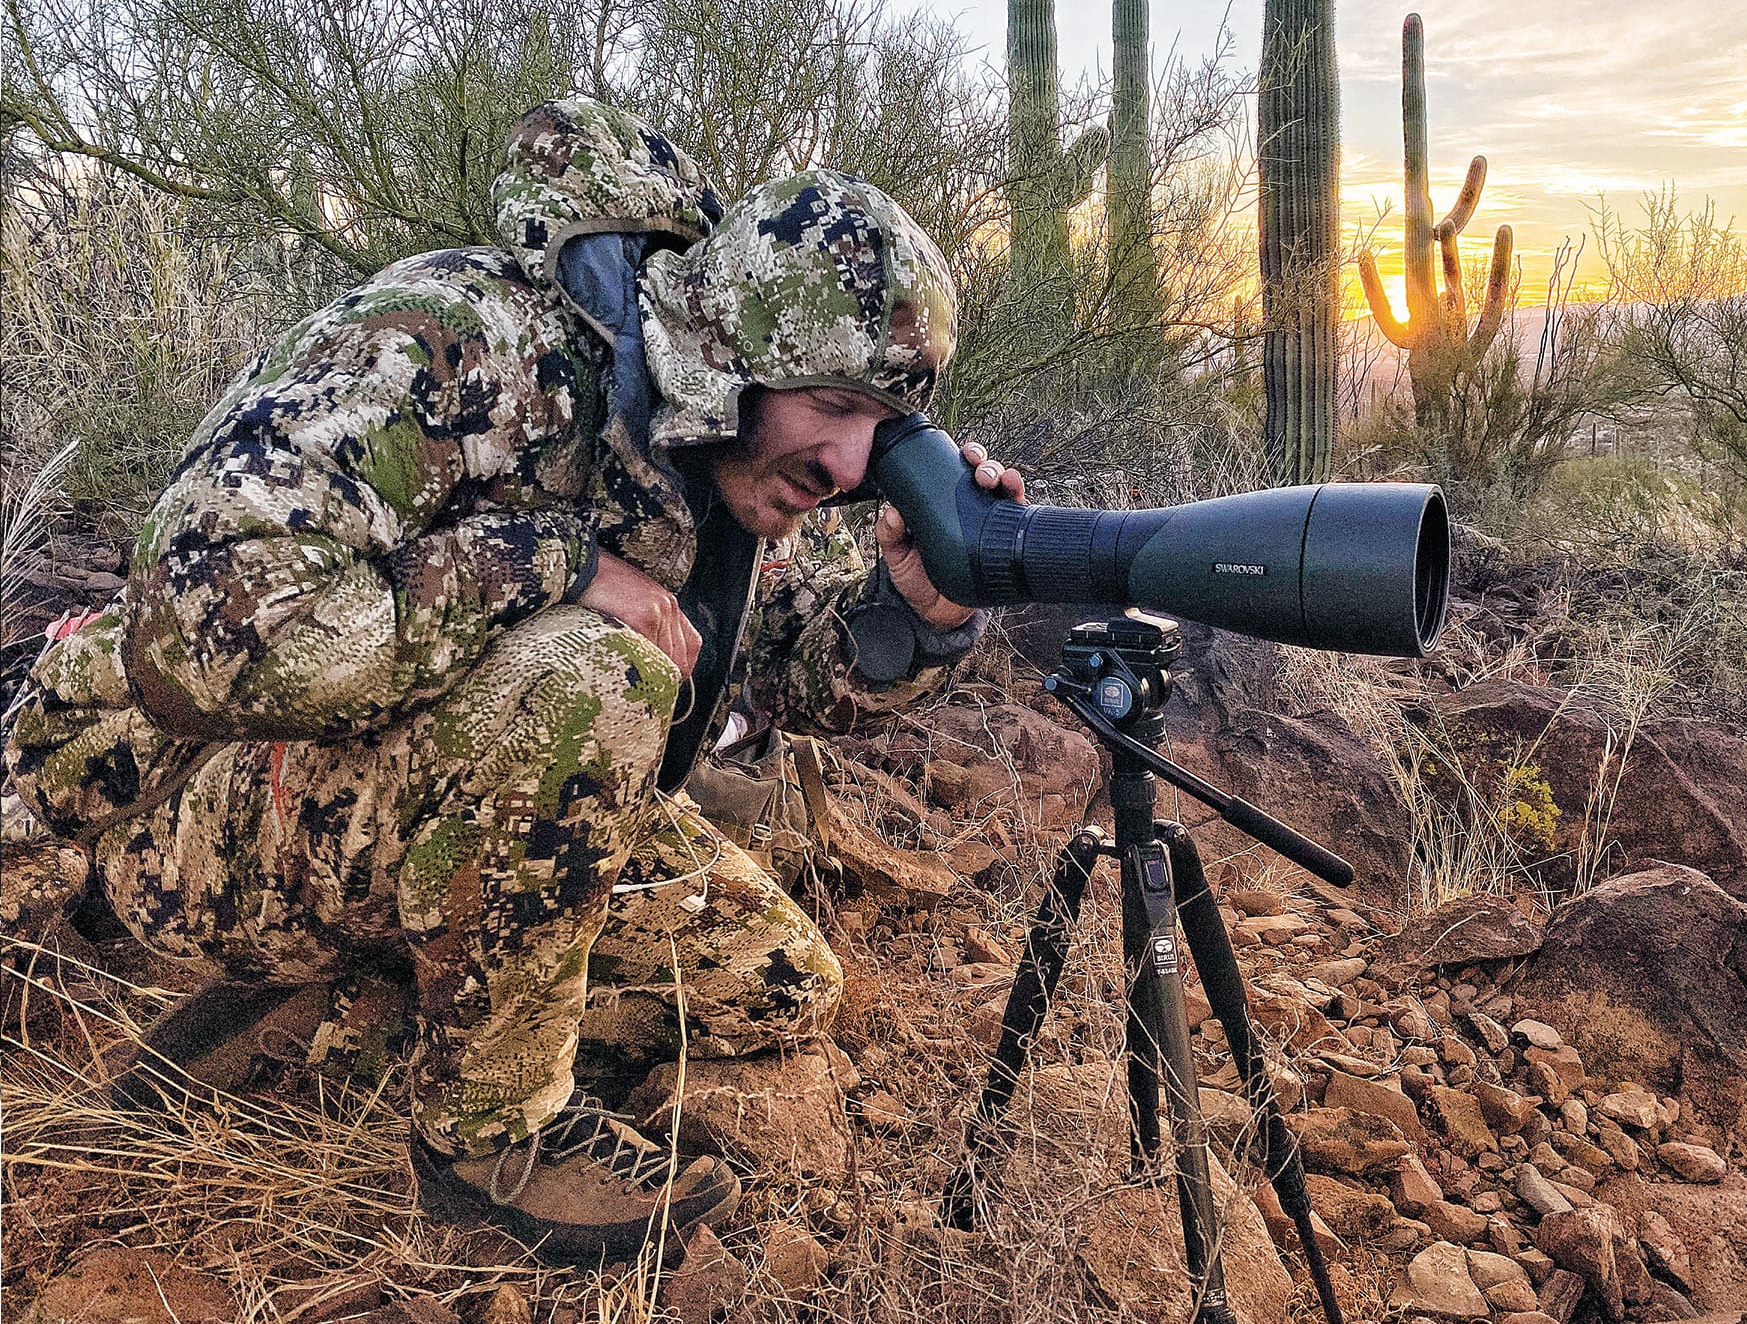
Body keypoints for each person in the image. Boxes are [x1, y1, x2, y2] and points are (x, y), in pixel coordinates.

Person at [2, 99, 1023, 1264]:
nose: (844, 466)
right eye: (833, 403)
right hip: (175, 798)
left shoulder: (706, 445)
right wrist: (552, 565)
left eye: (880, 428)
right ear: (733, 346)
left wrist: (917, 613)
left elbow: (787, 674)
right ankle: (489, 1136)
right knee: (596, 675)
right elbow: (203, 625)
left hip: (425, 801)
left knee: (776, 982)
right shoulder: (461, 338)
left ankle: (374, 1002)